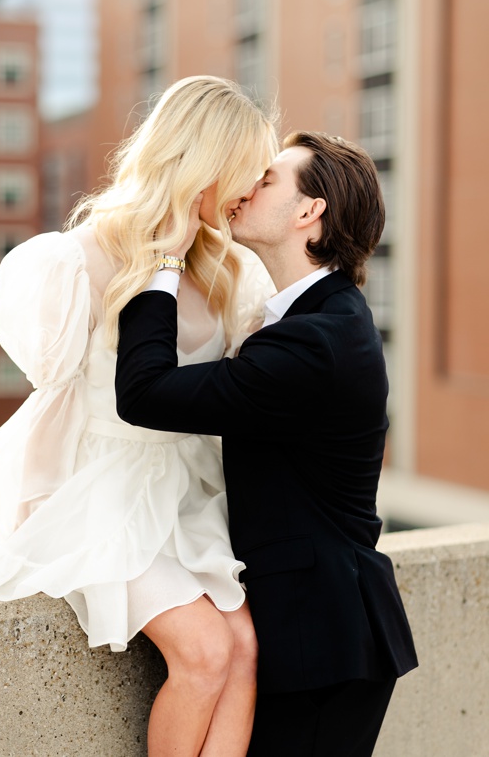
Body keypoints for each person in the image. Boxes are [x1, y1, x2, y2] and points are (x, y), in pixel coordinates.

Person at [0, 76, 279, 755]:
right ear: (204, 162)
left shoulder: (233, 269)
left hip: (189, 493)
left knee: (245, 647)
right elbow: (51, 385)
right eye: (246, 171)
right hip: (103, 491)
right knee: (205, 652)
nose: (253, 189)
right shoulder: (78, 257)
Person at [115, 131, 418, 756]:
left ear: (309, 212)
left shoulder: (315, 342)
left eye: (269, 179)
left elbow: (145, 393)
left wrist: (164, 261)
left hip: (320, 644)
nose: (245, 187)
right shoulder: (321, 318)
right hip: (324, 631)